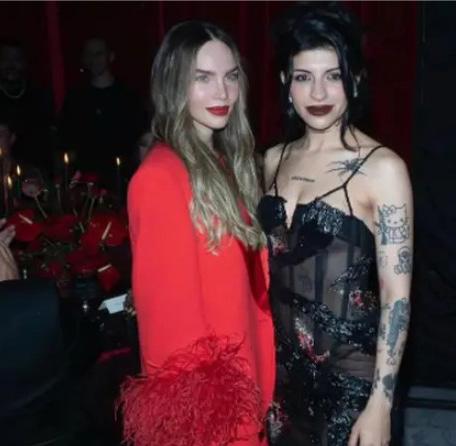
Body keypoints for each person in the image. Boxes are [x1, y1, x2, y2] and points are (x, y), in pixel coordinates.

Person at [257, 6, 413, 446]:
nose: (318, 92)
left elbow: (397, 298)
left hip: (351, 382)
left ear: (355, 80)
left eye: (333, 76)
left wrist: (381, 404)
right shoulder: (272, 160)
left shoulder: (382, 169)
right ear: (285, 83)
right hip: (284, 379)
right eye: (303, 77)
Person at [119, 21, 275, 446]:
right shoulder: (160, 177)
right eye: (202, 78)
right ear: (174, 84)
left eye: (231, 76)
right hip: (212, 416)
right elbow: (170, 332)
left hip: (247, 381)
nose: (222, 93)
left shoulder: (223, 165)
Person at [58, 38, 146, 183]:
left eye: (98, 54)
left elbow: (139, 138)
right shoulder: (76, 97)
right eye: (89, 54)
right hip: (87, 179)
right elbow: (66, 139)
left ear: (110, 56)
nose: (93, 59)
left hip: (123, 176)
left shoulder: (128, 95)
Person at [0, 42, 54, 173]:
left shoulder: (39, 96)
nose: (11, 65)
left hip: (36, 172)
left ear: (25, 63)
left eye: (16, 59)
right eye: (5, 59)